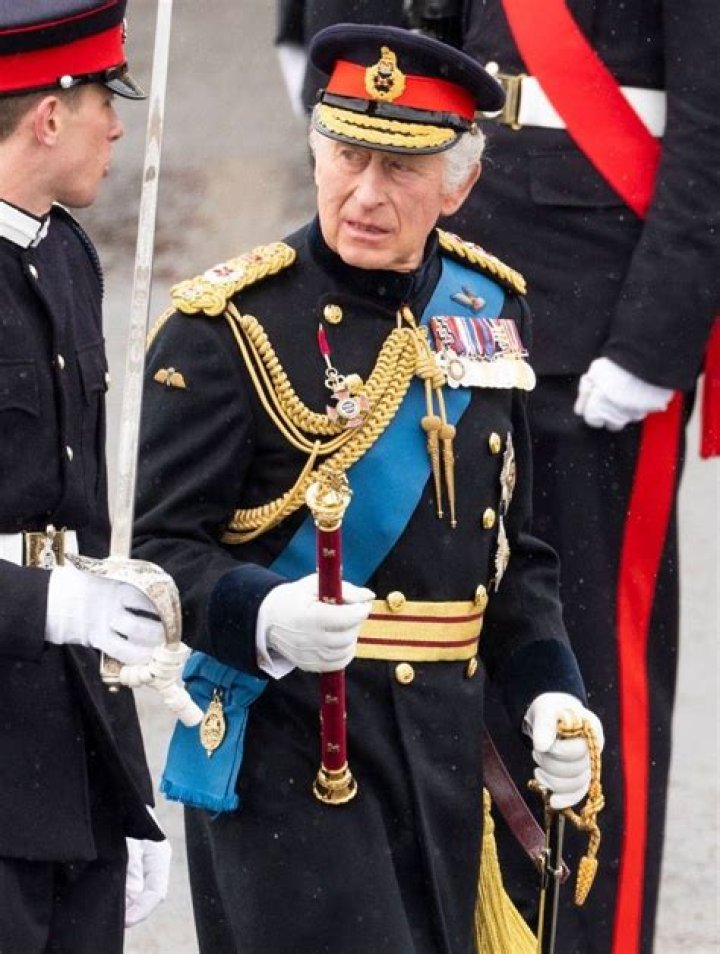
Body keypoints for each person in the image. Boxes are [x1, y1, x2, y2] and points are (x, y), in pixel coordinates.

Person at [134, 24, 605, 954]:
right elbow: (159, 553)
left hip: (443, 753)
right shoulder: (226, 328)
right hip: (294, 756)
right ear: (315, 152)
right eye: (348, 156)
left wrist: (550, 693)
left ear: (459, 184)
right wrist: (265, 614)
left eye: (401, 168)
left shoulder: (486, 311)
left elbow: (513, 558)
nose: (365, 193)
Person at [276, 3, 720, 953]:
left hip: (605, 310)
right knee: (432, 644)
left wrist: (658, 332)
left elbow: (710, 125)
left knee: (588, 676)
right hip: (455, 296)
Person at [0, 3, 180, 950]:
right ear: (48, 116)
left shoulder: (67, 254)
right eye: (104, 101)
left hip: (71, 761)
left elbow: (90, 548)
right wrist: (47, 606)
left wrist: (129, 783)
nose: (116, 128)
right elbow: (66, 594)